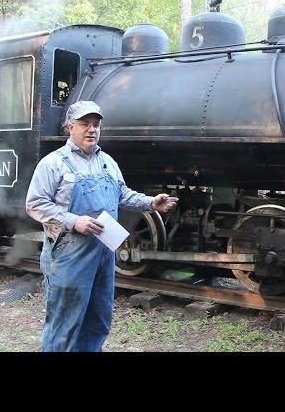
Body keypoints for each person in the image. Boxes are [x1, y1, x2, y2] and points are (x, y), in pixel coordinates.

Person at [26, 100, 178, 352]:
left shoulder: (107, 161)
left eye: (96, 125)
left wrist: (151, 202)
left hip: (103, 254)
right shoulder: (53, 163)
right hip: (68, 256)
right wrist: (75, 221)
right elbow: (35, 204)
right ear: (69, 127)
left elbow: (122, 194)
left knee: (98, 319)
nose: (92, 130)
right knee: (65, 322)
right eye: (85, 124)